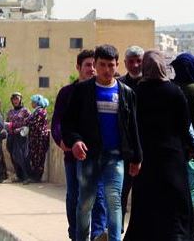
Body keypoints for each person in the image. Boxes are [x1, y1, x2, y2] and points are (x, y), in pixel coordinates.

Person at [62, 44, 142, 241]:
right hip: (89, 157)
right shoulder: (82, 91)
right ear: (96, 65)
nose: (107, 70)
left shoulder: (126, 93)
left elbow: (133, 128)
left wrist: (136, 157)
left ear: (117, 66)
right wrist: (76, 142)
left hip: (115, 158)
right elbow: (68, 123)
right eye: (102, 65)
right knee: (85, 202)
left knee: (114, 202)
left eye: (111, 65)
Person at [124, 50, 194, 241]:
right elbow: (185, 125)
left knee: (146, 203)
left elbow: (131, 126)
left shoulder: (137, 93)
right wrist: (193, 148)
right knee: (176, 202)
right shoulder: (174, 91)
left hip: (145, 157)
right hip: (172, 158)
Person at [52, 49, 108, 240]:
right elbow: (58, 122)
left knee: (99, 197)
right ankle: (76, 234)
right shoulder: (67, 93)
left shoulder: (103, 91)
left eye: (95, 65)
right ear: (78, 67)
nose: (92, 69)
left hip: (98, 155)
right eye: (87, 65)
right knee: (75, 197)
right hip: (72, 156)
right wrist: (63, 141)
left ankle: (98, 234)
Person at [117, 45, 143, 228]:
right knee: (120, 194)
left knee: (143, 197)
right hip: (123, 149)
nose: (135, 65)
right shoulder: (118, 86)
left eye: (139, 61)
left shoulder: (151, 84)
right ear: (125, 63)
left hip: (145, 149)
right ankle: (117, 231)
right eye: (131, 61)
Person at [5, 92, 31, 182]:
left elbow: (29, 124)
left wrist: (19, 129)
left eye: (17, 99)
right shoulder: (10, 112)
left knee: (20, 156)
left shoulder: (25, 111)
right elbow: (7, 122)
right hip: (11, 136)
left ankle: (26, 176)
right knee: (13, 156)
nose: (15, 101)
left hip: (21, 137)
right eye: (14, 99)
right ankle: (19, 175)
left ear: (20, 99)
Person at [26, 94, 51, 183]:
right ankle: (34, 176)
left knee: (38, 158)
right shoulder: (36, 111)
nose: (31, 103)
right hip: (35, 138)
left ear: (36, 102)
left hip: (39, 138)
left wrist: (26, 122)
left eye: (32, 102)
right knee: (34, 157)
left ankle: (37, 177)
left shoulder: (40, 111)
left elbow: (32, 122)